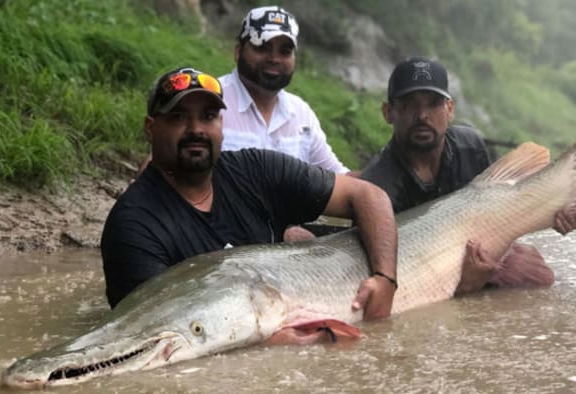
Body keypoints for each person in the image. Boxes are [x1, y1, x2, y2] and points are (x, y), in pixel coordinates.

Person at [101, 67, 397, 333]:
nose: (196, 130)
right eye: (179, 117)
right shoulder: (132, 226)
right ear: (151, 129)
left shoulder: (256, 169)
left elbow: (367, 194)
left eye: (208, 116)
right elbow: (157, 335)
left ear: (221, 124)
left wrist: (385, 278)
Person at [360, 56, 576, 294]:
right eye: (409, 104)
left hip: (480, 252)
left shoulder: (470, 145)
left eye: (433, 103)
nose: (422, 115)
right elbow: (393, 284)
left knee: (536, 279)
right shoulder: (375, 187)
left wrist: (552, 216)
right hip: (421, 275)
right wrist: (467, 285)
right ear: (388, 113)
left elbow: (503, 215)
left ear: (449, 109)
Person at [219, 6, 349, 174]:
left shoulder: (301, 114)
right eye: (262, 47)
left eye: (285, 51)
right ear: (238, 52)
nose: (274, 59)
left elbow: (339, 177)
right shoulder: (211, 99)